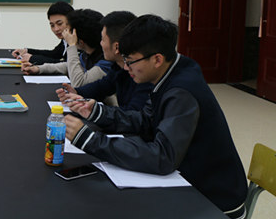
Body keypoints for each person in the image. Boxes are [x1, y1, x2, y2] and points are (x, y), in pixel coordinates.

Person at [65, 15, 247, 218]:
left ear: (157, 59)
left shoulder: (181, 91)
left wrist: (91, 141)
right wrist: (98, 112)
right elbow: (145, 120)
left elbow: (163, 157)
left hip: (213, 197)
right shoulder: (171, 71)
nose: (125, 67)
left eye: (130, 61)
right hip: (187, 176)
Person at [56, 11, 153, 111]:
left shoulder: (142, 75)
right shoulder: (118, 67)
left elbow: (132, 115)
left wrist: (95, 112)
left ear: (116, 47)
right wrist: (76, 92)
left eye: (102, 39)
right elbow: (101, 87)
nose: (100, 44)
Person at [22, 9, 112, 88]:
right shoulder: (88, 54)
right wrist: (39, 69)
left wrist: (72, 45)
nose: (66, 34)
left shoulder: (106, 62)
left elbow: (78, 84)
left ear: (81, 42)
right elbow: (68, 66)